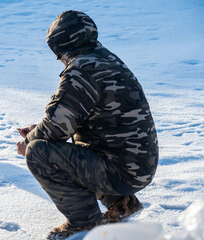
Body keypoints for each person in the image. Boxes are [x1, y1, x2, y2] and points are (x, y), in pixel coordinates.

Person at [16, 10, 158, 240]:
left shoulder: (81, 70)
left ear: (62, 45)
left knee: (38, 152)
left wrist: (28, 141)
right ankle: (122, 204)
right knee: (73, 150)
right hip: (138, 165)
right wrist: (38, 128)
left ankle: (83, 224)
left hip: (122, 170)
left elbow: (56, 129)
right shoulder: (106, 58)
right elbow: (75, 117)